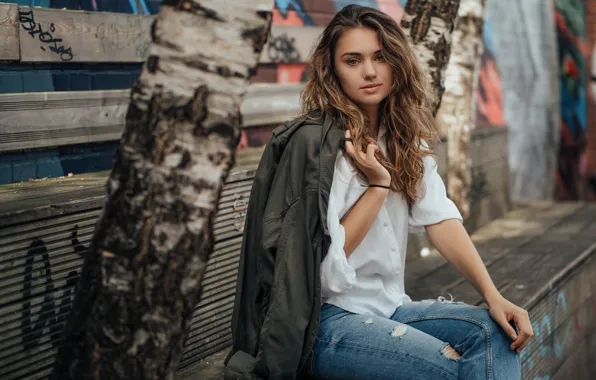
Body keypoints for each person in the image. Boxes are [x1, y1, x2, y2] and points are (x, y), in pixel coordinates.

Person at [226, 5, 532, 380]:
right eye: (352, 61)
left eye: (380, 57)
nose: (369, 71)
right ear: (332, 70)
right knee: (451, 371)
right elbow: (321, 273)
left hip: (388, 309)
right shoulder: (316, 145)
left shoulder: (401, 136)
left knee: (496, 333)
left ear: (397, 63)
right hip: (323, 325)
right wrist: (377, 186)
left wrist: (493, 295)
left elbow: (440, 218)